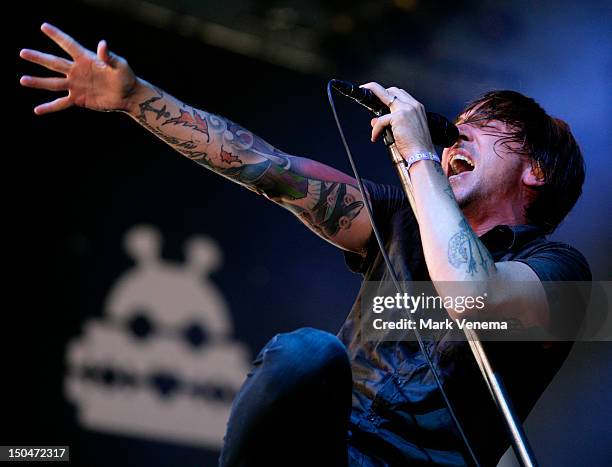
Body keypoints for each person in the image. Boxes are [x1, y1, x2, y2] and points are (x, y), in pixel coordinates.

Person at [20, 23, 591, 467]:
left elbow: (474, 297)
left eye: (484, 126)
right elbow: (266, 167)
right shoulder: (398, 220)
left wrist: (418, 154)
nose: (454, 136)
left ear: (535, 169)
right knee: (307, 355)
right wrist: (136, 96)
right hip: (326, 452)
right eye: (454, 126)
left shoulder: (559, 270)